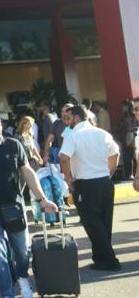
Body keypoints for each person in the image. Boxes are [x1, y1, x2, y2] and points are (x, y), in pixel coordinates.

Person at [0, 112, 58, 298]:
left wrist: (42, 199)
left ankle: (22, 278)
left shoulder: (13, 145)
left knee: (22, 251)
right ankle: (7, 293)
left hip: (14, 205)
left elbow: (27, 172)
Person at [59, 105, 121, 271]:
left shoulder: (73, 135)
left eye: (69, 118)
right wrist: (109, 172)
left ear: (77, 117)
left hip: (86, 184)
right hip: (104, 182)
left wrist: (69, 179)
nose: (67, 122)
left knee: (93, 224)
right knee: (104, 223)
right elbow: (115, 153)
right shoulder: (102, 133)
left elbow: (64, 158)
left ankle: (110, 261)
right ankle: (100, 258)